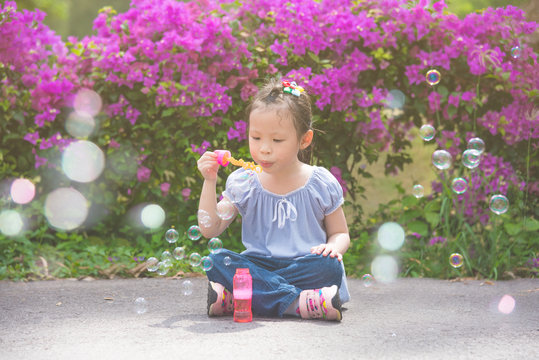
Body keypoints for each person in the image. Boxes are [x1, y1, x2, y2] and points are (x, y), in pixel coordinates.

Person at [196, 78, 351, 321]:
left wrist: (333, 248)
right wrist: (209, 181)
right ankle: (300, 303)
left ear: (304, 140)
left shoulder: (320, 182)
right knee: (217, 260)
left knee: (329, 266)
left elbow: (341, 233)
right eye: (256, 138)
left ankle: (242, 297)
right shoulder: (244, 182)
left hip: (305, 265)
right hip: (259, 264)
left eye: (277, 140)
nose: (264, 149)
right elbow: (210, 228)